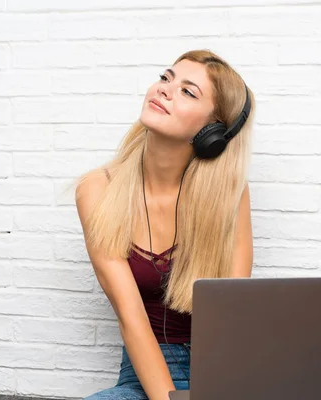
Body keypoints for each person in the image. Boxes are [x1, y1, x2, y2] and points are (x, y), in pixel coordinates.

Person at [75, 49, 255, 400]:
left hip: (218, 369)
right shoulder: (97, 189)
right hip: (145, 370)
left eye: (188, 91)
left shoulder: (229, 194)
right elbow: (132, 319)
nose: (164, 90)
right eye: (165, 78)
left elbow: (230, 316)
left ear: (212, 131)